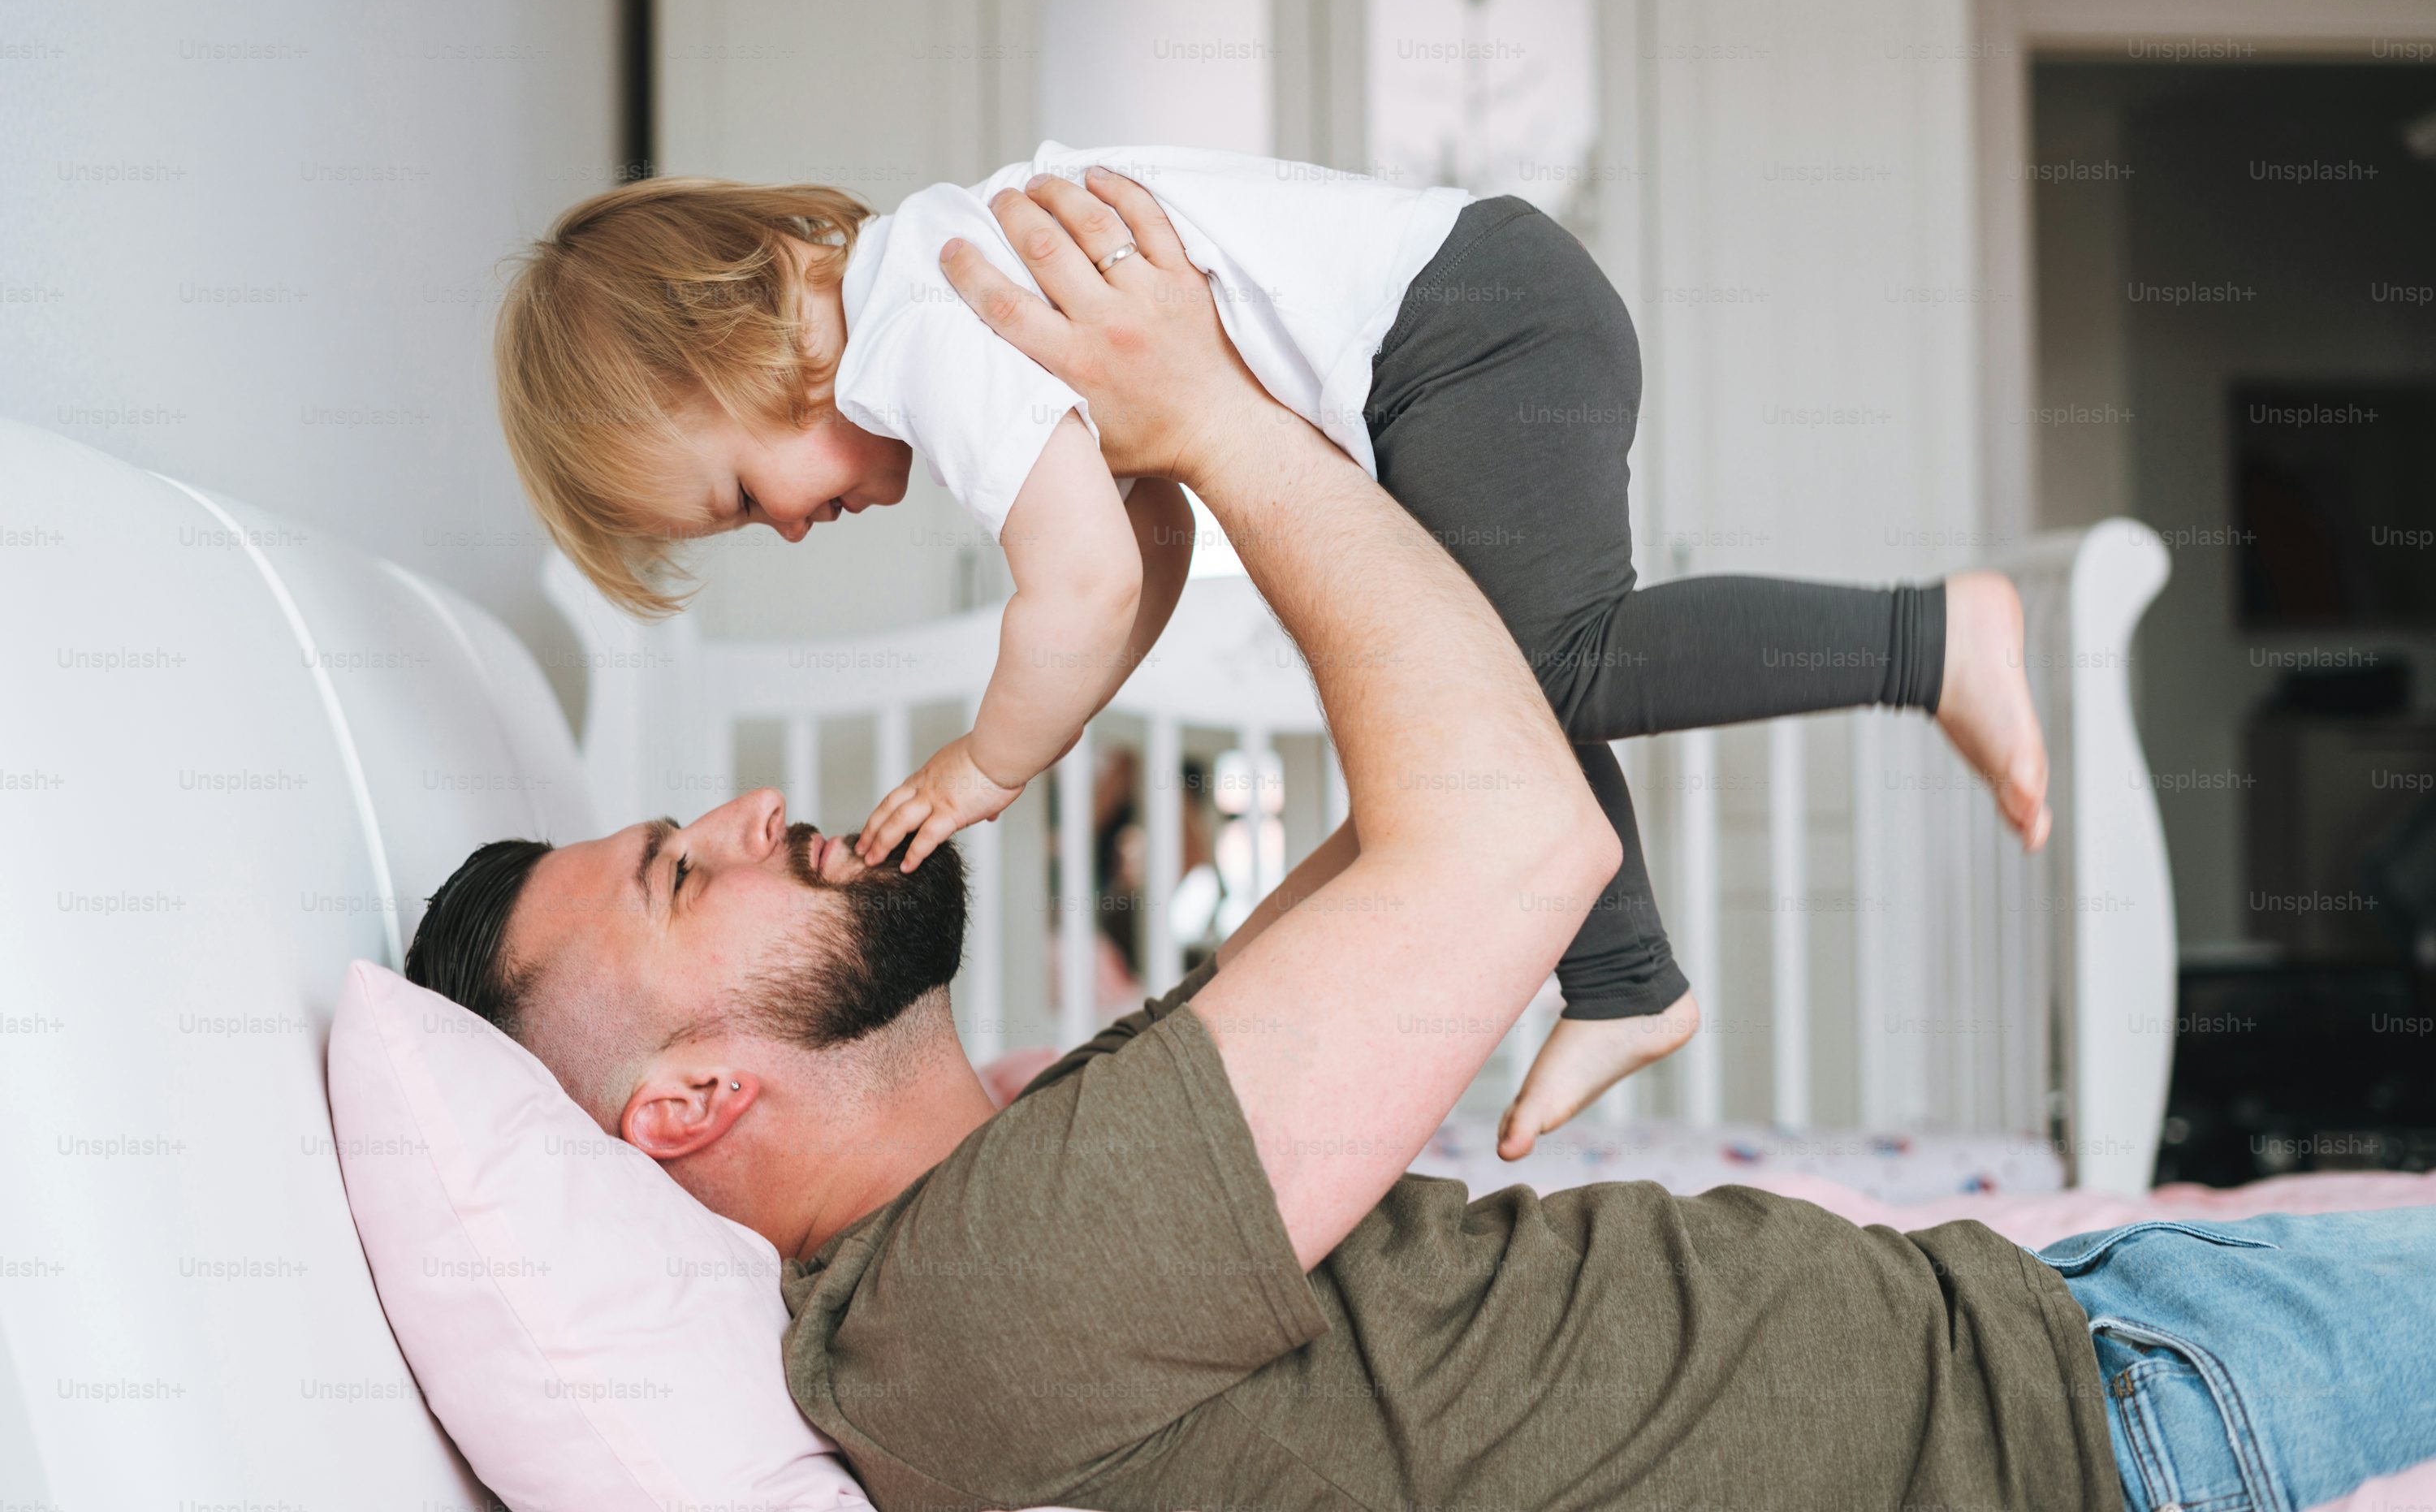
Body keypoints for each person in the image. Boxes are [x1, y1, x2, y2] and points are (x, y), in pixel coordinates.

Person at [418, 178, 2436, 1512]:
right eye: (681, 871)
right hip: (2111, 1429)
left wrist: (1241, 414)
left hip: (2054, 1329)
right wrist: (1220, 418)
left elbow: (1440, 796)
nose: (745, 810)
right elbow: (1512, 832)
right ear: (682, 1101)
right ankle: (1926, 644)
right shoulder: (964, 1315)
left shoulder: (1012, 1190)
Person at [489, 145, 2050, 1152]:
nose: (783, 530)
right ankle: (1627, 979)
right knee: (1496, 678)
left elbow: (1080, 583)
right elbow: (1151, 549)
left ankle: (1932, 639)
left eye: (739, 498)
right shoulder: (948, 287)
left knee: (1546, 668)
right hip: (1480, 310)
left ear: (744, 331)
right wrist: (1053, 711)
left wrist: (985, 765)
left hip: (1470, 325)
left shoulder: (927, 324)